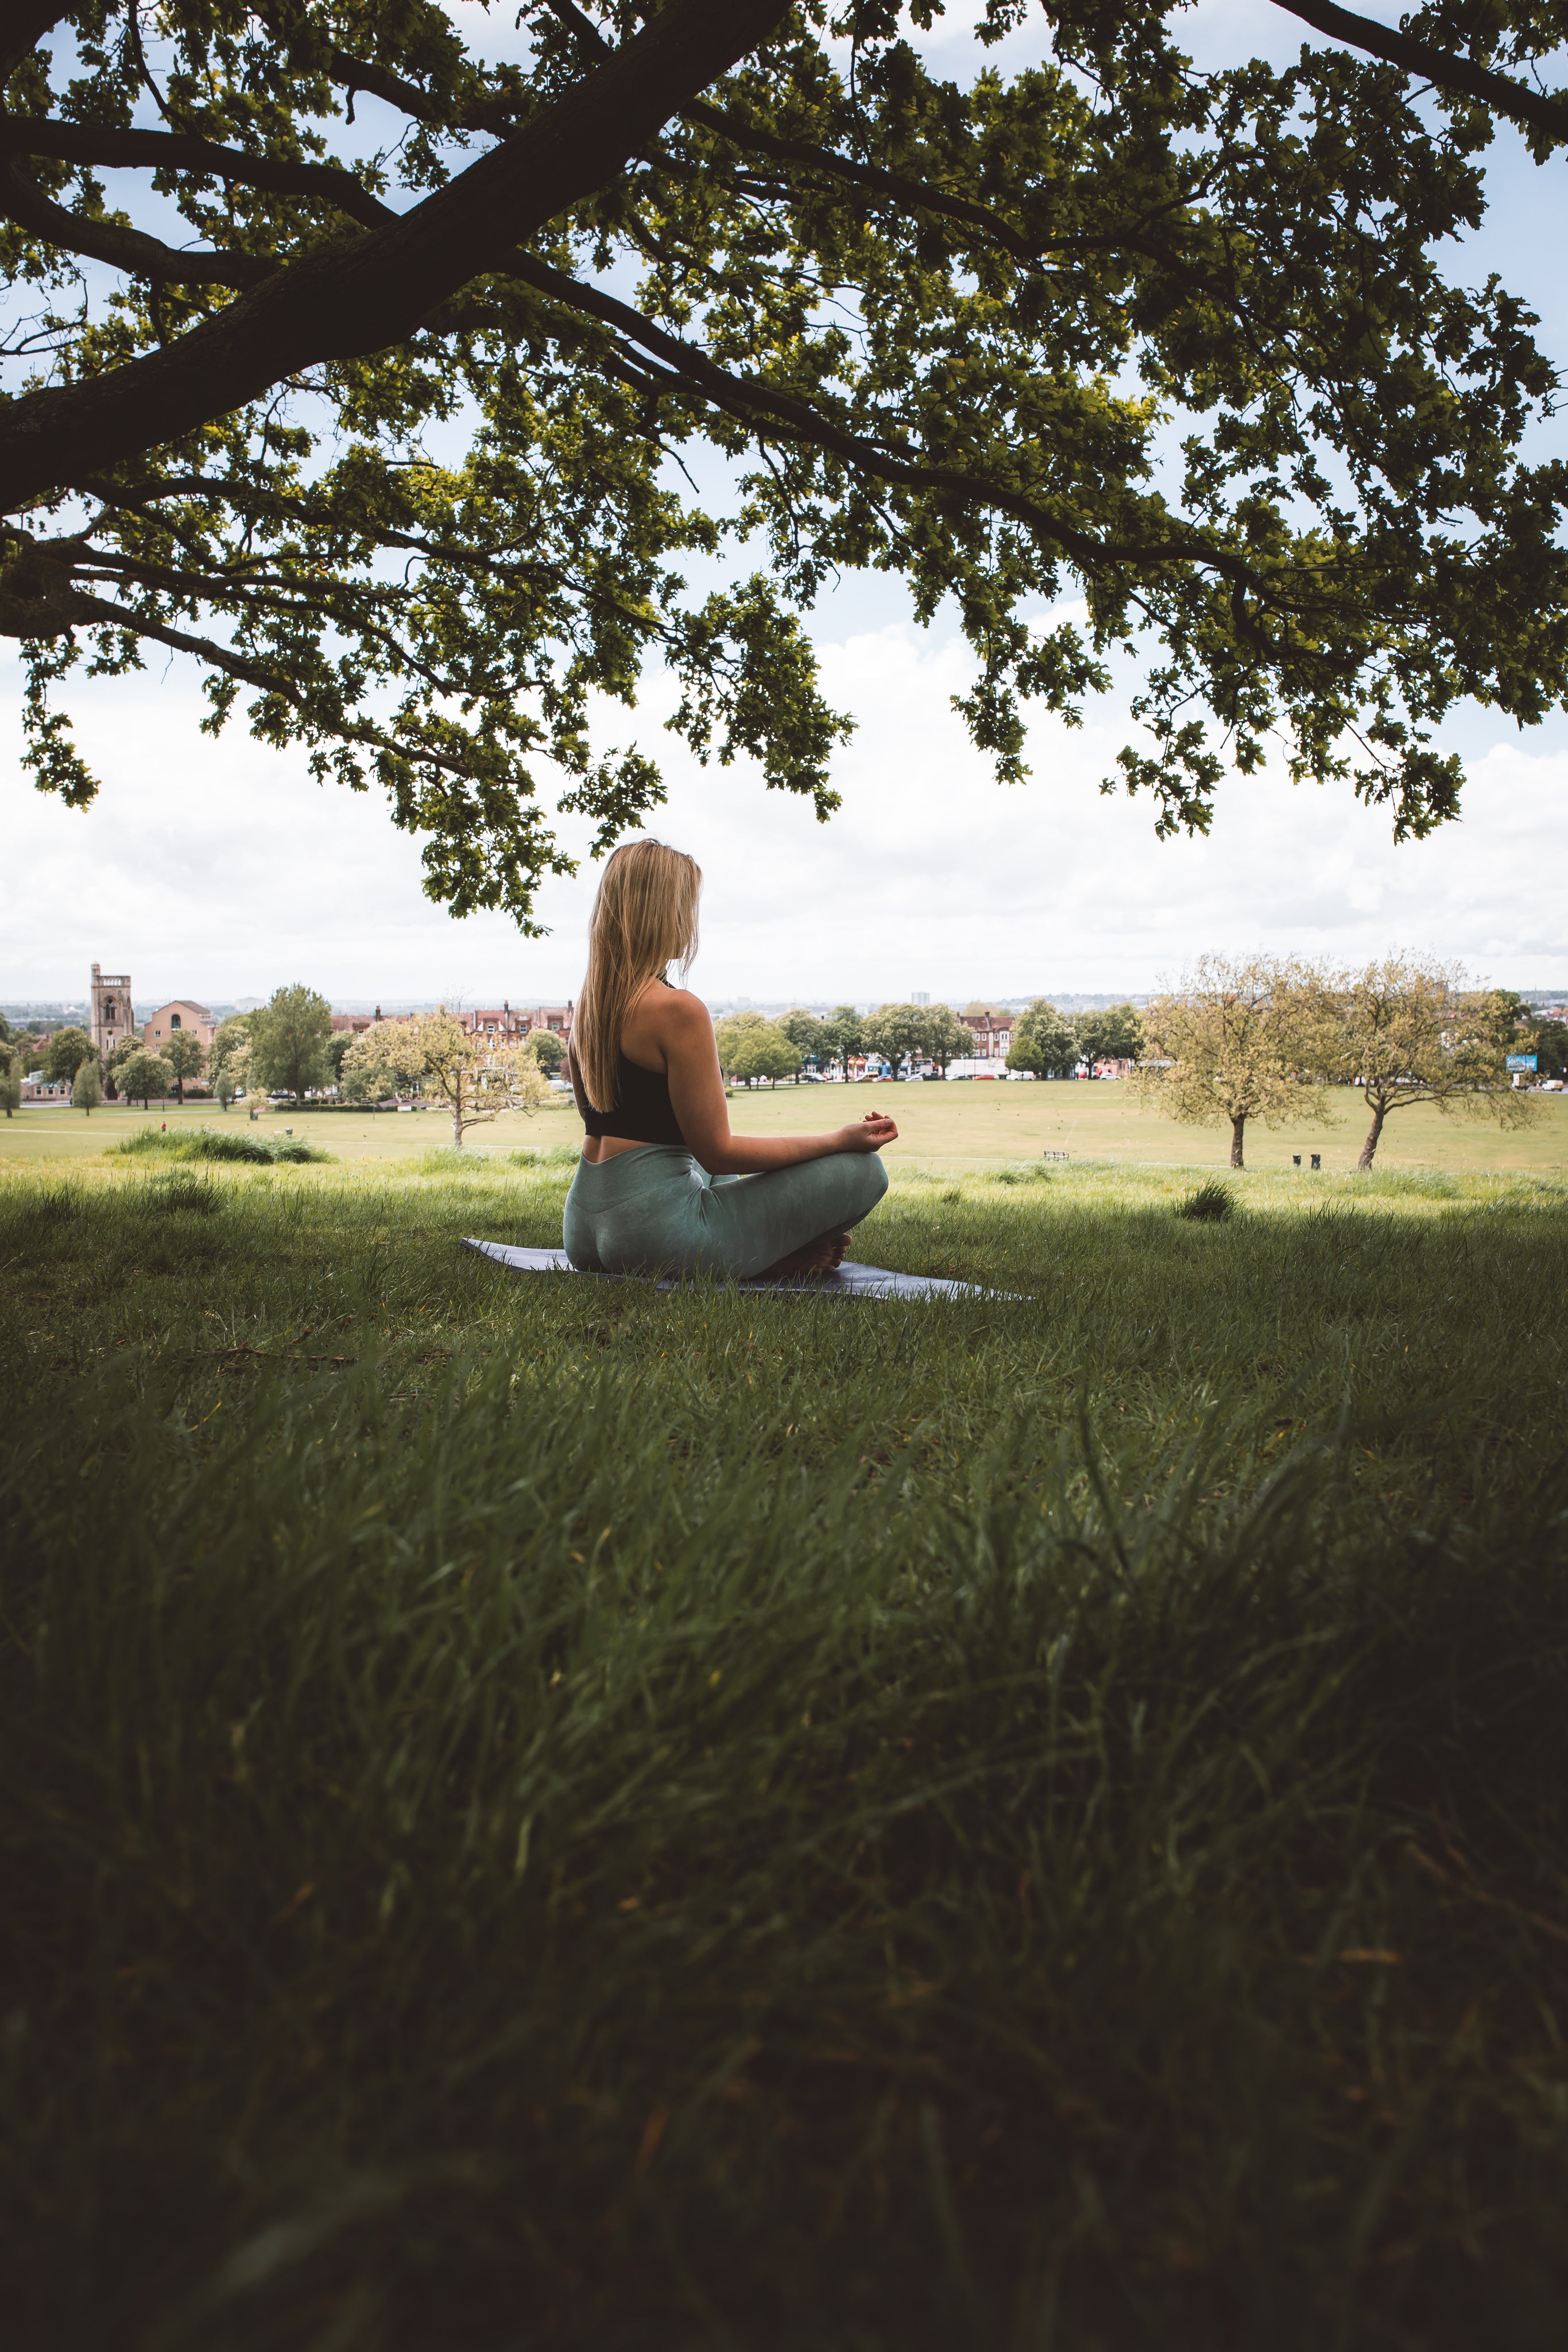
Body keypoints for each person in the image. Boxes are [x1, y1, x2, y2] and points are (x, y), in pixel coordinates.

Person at [563, 840, 895, 1279]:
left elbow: (700, 1153)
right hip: (657, 1238)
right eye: (687, 906)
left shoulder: (589, 1011)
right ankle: (778, 1257)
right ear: (662, 913)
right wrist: (841, 1140)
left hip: (584, 1233)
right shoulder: (677, 1010)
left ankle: (764, 1252)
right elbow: (720, 1153)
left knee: (702, 1170)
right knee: (865, 1171)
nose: (691, 921)